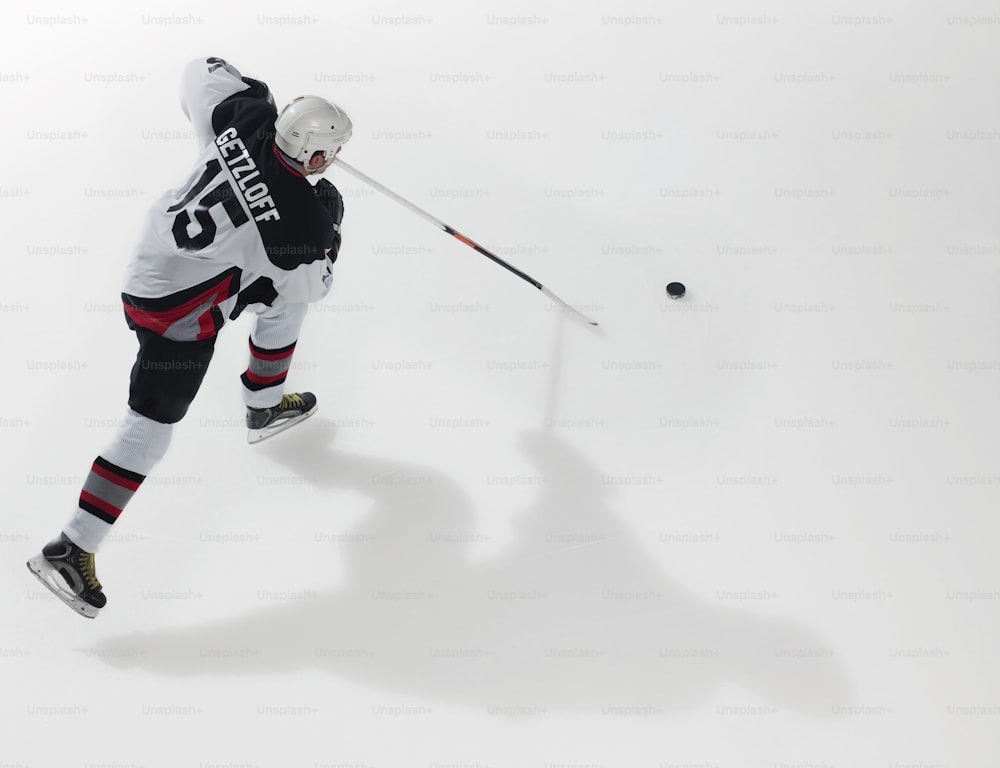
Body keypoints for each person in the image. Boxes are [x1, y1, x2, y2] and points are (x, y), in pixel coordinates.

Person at [26, 56, 352, 618]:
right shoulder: (301, 226)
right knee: (150, 429)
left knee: (277, 294)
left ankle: (264, 406)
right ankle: (70, 547)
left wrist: (256, 93)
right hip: (176, 314)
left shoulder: (242, 117)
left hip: (150, 263)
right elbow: (316, 284)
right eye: (332, 153)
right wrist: (332, 230)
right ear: (318, 155)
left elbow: (200, 70)